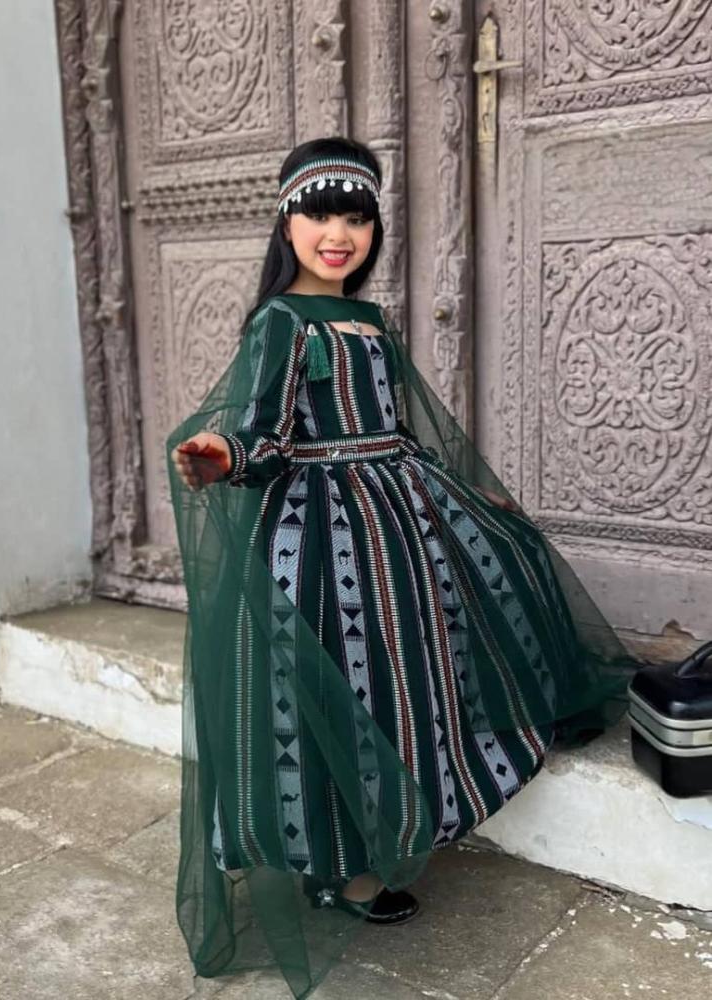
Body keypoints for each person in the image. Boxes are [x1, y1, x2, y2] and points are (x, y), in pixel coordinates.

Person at [167, 136, 647, 1000]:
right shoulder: (280, 323)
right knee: (337, 689)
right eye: (321, 216)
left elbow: (403, 427)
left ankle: (410, 813)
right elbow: (267, 436)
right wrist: (224, 455)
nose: (338, 235)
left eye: (356, 218)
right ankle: (341, 868)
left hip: (398, 517)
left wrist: (465, 494)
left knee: (409, 673)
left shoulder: (371, 321)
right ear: (286, 222)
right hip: (319, 536)